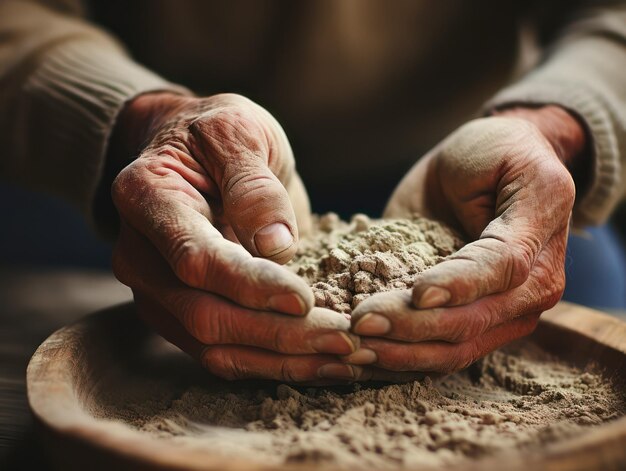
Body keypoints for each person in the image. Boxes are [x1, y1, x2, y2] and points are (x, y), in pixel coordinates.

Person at [1, 0, 624, 383]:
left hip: (462, 178)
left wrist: (549, 126)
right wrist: (139, 122)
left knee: (578, 293)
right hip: (166, 163)